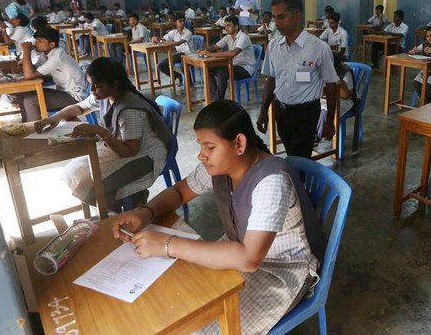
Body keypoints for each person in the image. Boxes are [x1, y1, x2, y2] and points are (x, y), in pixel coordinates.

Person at [111, 100, 325, 334]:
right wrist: (146, 212)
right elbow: (180, 192)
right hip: (240, 250)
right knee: (177, 296)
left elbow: (249, 259)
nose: (201, 155)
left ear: (239, 143)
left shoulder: (271, 182)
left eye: (210, 147)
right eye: (201, 146)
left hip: (280, 271)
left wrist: (168, 244)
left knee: (201, 325)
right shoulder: (222, 167)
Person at [35, 57, 173, 212]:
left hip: (145, 155)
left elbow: (129, 151)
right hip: (123, 146)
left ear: (114, 85)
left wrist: (101, 132)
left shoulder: (129, 110)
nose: (92, 89)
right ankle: (125, 201)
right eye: (91, 84)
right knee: (72, 169)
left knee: (91, 184)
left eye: (97, 86)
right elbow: (80, 108)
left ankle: (134, 198)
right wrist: (54, 118)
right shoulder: (106, 95)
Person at [257, 0, 339, 159]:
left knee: (298, 160)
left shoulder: (318, 48)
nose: (276, 23)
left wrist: (329, 120)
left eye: (282, 17)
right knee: (292, 154)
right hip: (281, 111)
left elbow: (331, 84)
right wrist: (264, 111)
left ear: (297, 16)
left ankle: (301, 176)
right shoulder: (274, 45)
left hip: (306, 114)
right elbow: (272, 79)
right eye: (274, 18)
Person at [16, 27, 86, 121]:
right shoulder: (46, 54)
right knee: (22, 94)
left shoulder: (57, 57)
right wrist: (26, 57)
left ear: (52, 44)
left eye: (40, 41)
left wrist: (26, 51)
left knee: (30, 100)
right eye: (36, 40)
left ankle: (33, 128)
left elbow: (29, 75)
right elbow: (33, 69)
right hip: (62, 91)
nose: (36, 43)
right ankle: (26, 124)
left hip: (73, 96)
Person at [197, 16, 255, 101]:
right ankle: (214, 98)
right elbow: (214, 47)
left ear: (236, 27)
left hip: (245, 68)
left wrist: (211, 54)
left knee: (222, 70)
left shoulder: (243, 37)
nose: (226, 28)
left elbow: (233, 53)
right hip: (233, 65)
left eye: (228, 25)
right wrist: (203, 50)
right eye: (225, 26)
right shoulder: (228, 37)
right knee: (208, 69)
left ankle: (218, 101)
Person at [315, 51, 356, 143]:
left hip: (343, 101)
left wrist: (334, 78)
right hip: (325, 98)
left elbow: (346, 95)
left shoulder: (345, 72)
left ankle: (317, 137)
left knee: (325, 112)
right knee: (310, 106)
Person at [156, 15, 193, 84]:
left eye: (183, 21)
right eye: (180, 21)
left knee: (183, 66)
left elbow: (177, 43)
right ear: (175, 23)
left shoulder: (188, 32)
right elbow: (163, 39)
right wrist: (156, 38)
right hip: (180, 54)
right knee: (160, 65)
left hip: (189, 55)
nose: (182, 23)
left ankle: (190, 84)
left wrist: (161, 41)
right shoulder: (174, 32)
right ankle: (178, 76)